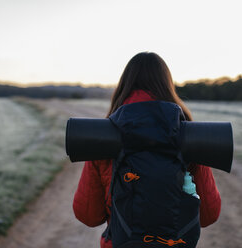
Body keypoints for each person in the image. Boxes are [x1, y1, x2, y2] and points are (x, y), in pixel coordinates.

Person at [73, 52, 221, 248]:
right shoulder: (187, 134)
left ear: (124, 85)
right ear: (168, 84)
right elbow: (208, 215)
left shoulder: (107, 135)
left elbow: (88, 216)